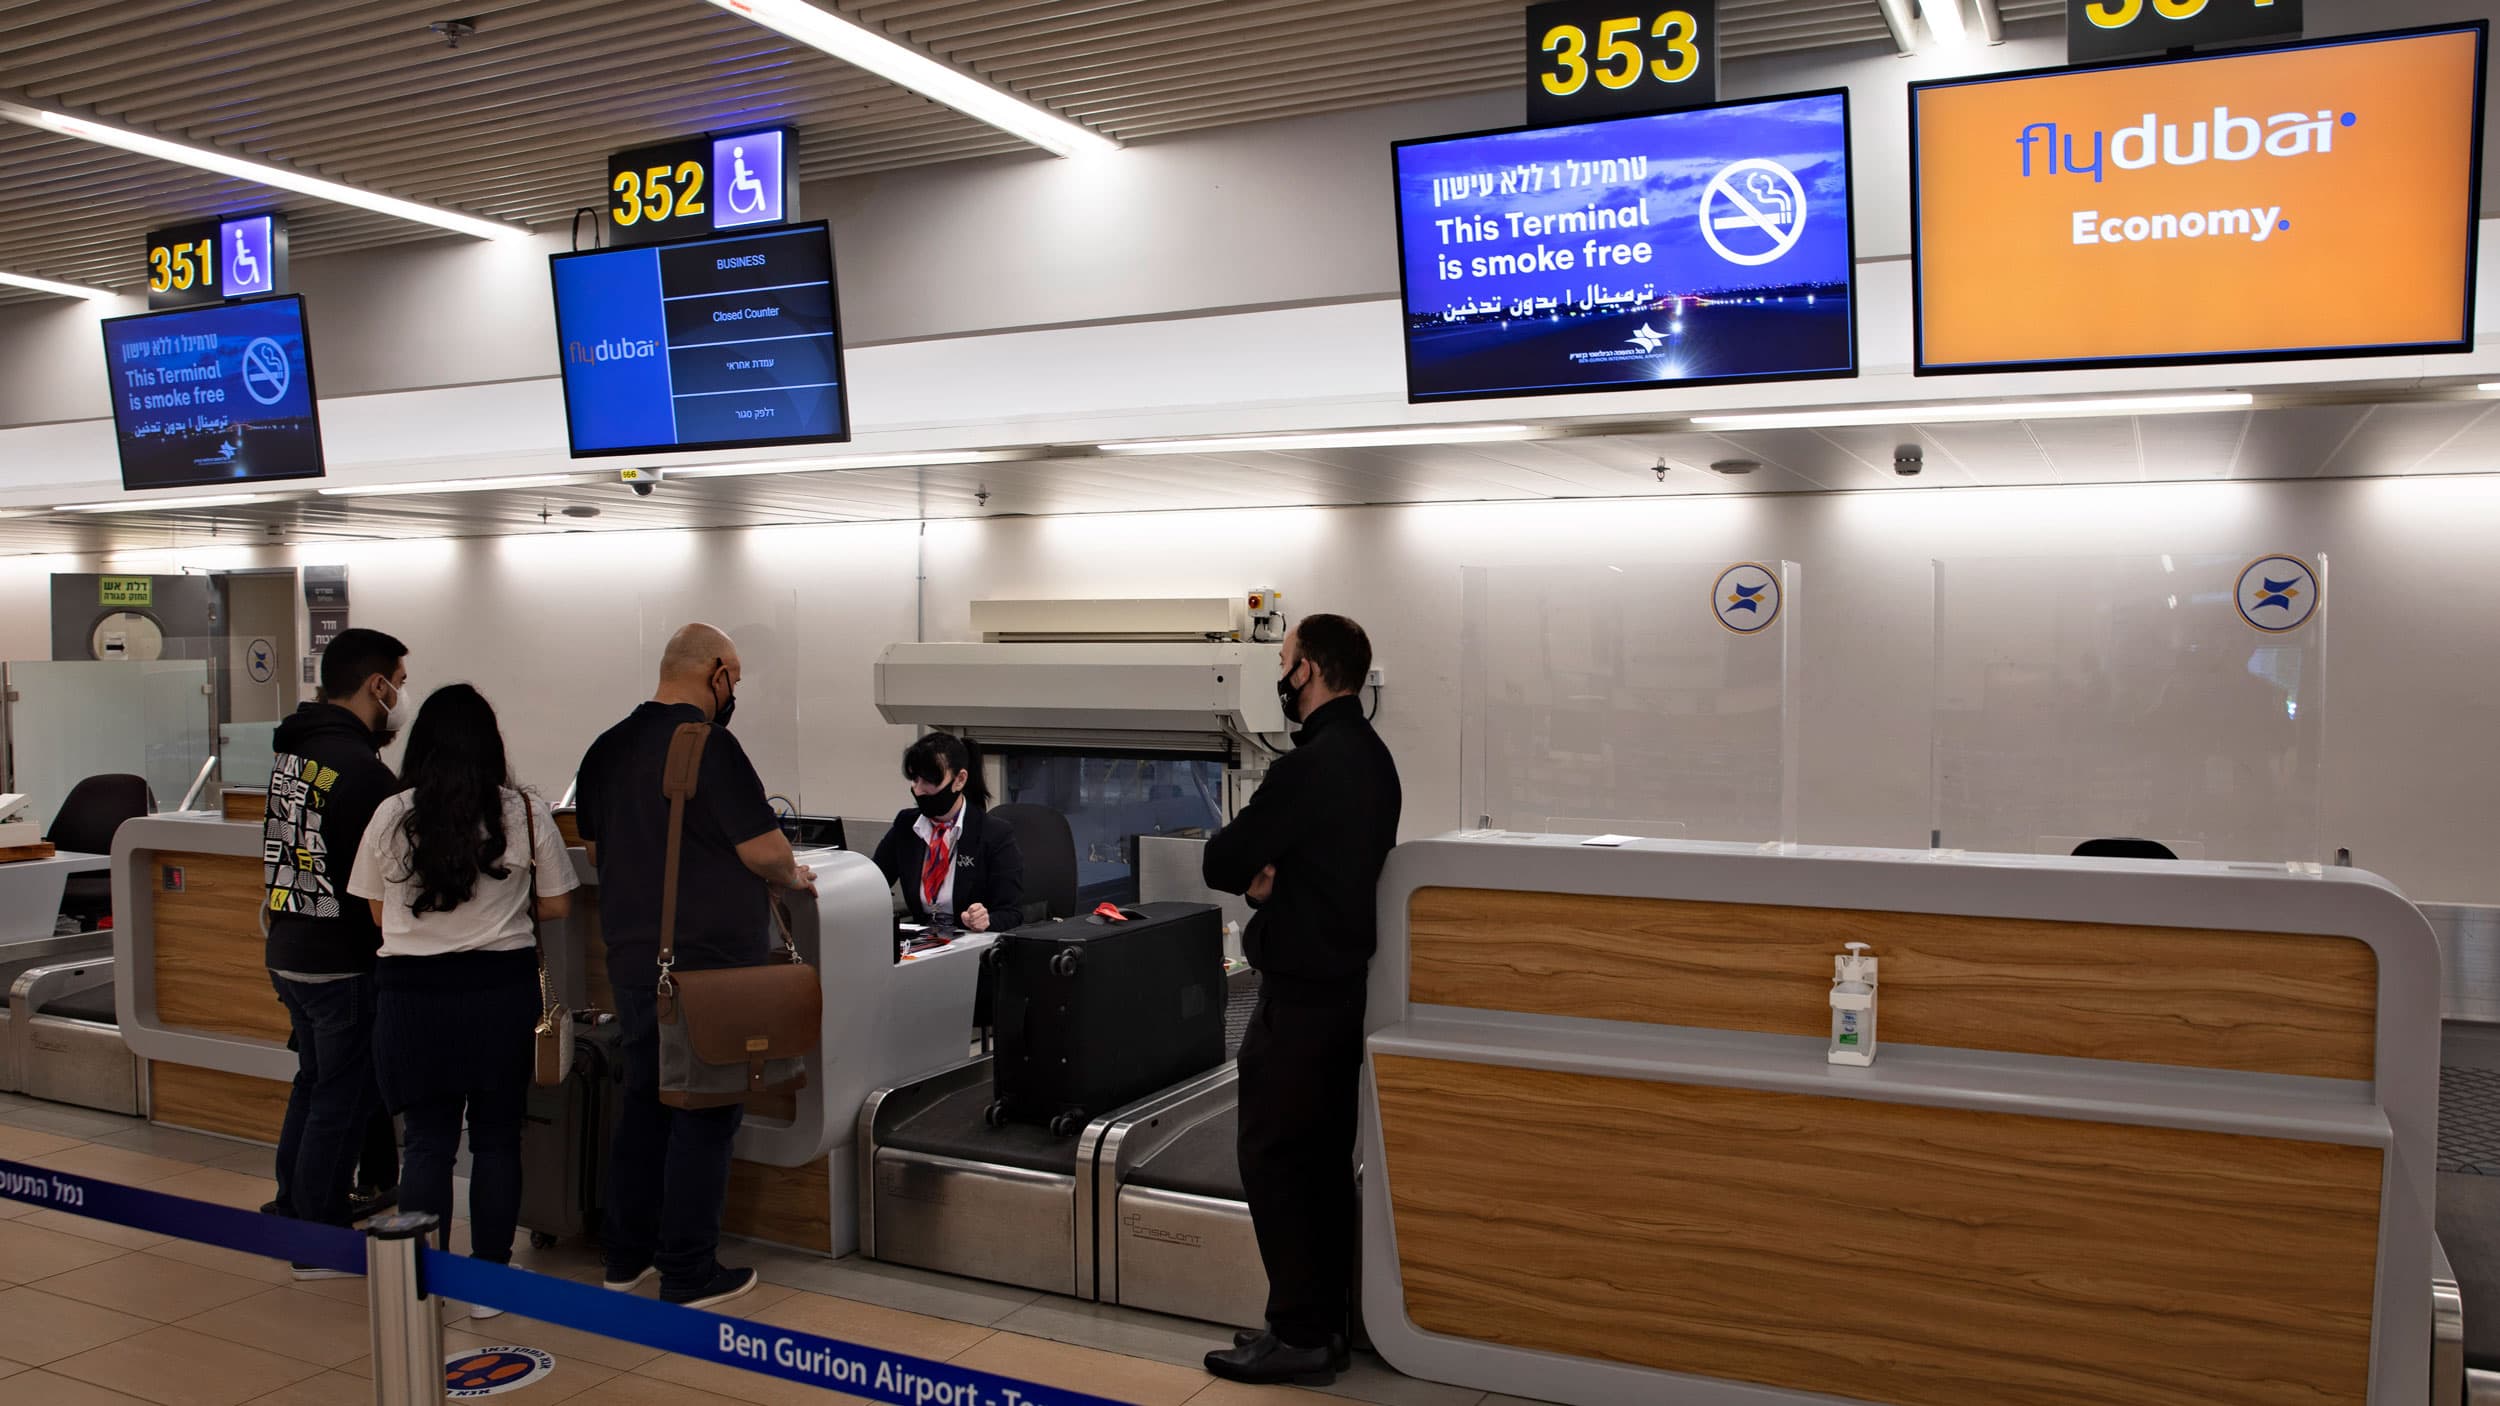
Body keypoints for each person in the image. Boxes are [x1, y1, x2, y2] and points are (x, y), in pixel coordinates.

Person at [575, 623, 816, 1310]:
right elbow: (765, 851)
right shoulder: (710, 746)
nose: (732, 693)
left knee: (645, 1104)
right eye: (733, 681)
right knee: (706, 1114)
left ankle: (625, 1259)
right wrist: (793, 874)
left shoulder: (605, 748)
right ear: (714, 673)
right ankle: (687, 1269)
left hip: (634, 959)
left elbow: (598, 849)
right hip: (707, 968)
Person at [1199, 614, 1400, 1385]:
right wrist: (1268, 869)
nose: (1280, 676)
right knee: (1320, 1164)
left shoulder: (1307, 767)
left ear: (1309, 669)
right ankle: (1326, 1323)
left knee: (1276, 1160)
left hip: (1297, 999)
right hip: (1345, 995)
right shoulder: (1377, 761)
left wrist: (1258, 871)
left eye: (1282, 661)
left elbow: (1224, 857)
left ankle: (1298, 1334)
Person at [349, 684, 575, 1316]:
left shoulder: (392, 814)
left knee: (426, 1141)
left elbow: (374, 910)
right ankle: (491, 1283)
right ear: (491, 746)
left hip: (412, 998)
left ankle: (426, 1280)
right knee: (498, 1139)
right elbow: (557, 903)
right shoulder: (523, 812)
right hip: (499, 993)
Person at [263, 627, 409, 1279]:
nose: (400, 699)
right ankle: (317, 1237)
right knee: (340, 1099)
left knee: (313, 1083)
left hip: (290, 947)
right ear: (376, 685)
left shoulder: (295, 754)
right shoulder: (366, 773)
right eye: (398, 686)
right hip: (342, 961)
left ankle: (291, 1205)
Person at [870, 732, 1025, 933]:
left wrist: (985, 920)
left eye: (928, 781)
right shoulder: (906, 826)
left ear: (959, 780)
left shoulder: (994, 834)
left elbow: (1011, 914)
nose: (918, 790)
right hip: (921, 945)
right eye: (914, 779)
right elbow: (873, 881)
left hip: (972, 947)